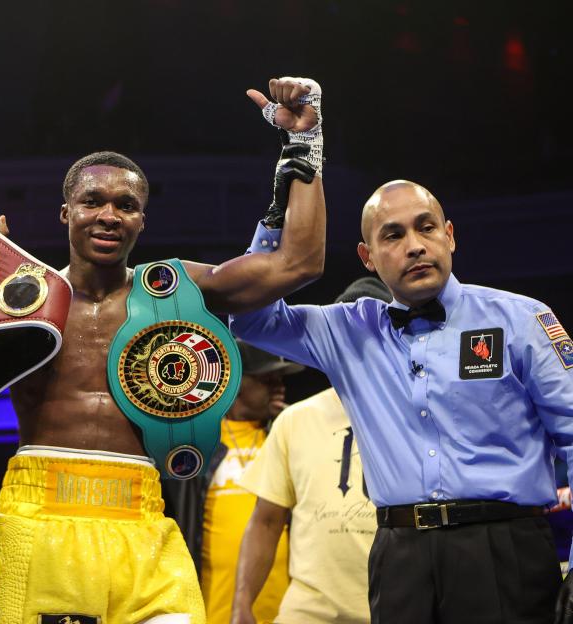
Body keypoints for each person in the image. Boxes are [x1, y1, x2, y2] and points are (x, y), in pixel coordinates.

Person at [0, 76, 327, 624]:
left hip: (143, 513)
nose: (108, 215)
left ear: (142, 219)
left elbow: (299, 264)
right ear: (65, 212)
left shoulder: (176, 290)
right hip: (40, 512)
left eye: (126, 204)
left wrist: (305, 142)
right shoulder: (20, 301)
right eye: (92, 201)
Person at [230, 180, 573, 623]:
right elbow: (249, 314)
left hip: (504, 548)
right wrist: (278, 221)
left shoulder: (520, 319)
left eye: (426, 228)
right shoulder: (348, 330)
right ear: (367, 257)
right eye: (393, 235)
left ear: (449, 235)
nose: (414, 246)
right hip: (400, 557)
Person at [231, 277, 392, 624]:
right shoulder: (295, 420)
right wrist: (242, 603)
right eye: (347, 335)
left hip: (397, 606)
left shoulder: (419, 417)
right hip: (309, 613)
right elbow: (266, 520)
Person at [164, 341, 304, 624]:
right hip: (213, 609)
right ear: (235, 382)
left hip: (290, 611)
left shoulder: (289, 437)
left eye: (281, 378)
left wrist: (288, 422)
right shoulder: (197, 447)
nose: (279, 385)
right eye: (267, 378)